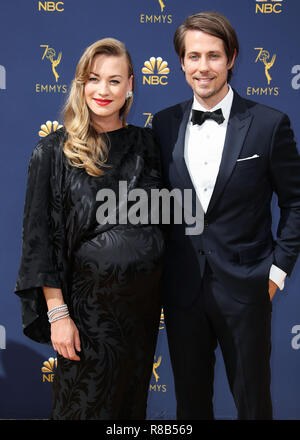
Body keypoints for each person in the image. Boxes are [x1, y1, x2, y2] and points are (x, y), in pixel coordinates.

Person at [152, 11, 300, 420]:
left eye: (213, 55)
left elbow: (296, 202)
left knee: (254, 406)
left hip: (247, 290)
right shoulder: (163, 125)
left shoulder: (270, 125)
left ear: (231, 57)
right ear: (181, 63)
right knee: (190, 408)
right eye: (194, 56)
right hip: (183, 294)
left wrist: (276, 273)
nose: (203, 67)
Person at [15, 38, 165, 420]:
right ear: (81, 83)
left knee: (129, 413)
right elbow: (39, 240)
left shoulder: (149, 145)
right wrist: (57, 315)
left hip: (140, 316)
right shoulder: (52, 151)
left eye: (115, 81)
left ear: (131, 85)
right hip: (85, 317)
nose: (103, 90)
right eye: (94, 79)